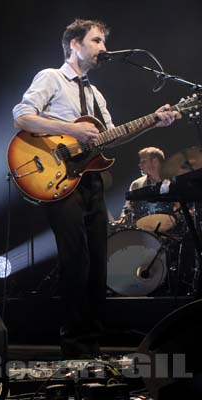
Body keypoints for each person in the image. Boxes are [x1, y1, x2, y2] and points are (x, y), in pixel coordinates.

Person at [12, 19, 180, 359]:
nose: (103, 48)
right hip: (58, 180)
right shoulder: (52, 78)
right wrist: (70, 131)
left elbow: (111, 137)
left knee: (96, 266)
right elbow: (22, 117)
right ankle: (74, 348)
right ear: (75, 44)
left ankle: (91, 347)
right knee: (76, 261)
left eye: (103, 42)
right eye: (97, 41)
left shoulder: (95, 94)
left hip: (90, 181)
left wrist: (153, 120)